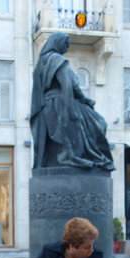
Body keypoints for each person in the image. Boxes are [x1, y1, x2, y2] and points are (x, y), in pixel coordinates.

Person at [30, 32, 115, 171]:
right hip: (63, 102)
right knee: (99, 123)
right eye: (65, 45)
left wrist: (85, 99)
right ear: (58, 43)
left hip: (46, 107)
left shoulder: (40, 64)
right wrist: (70, 110)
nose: (66, 49)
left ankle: (87, 155)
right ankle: (91, 156)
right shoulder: (57, 60)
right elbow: (68, 86)